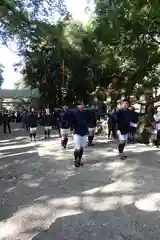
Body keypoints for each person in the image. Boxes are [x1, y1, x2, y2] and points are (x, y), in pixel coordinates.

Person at [71, 102, 88, 167]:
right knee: (77, 148)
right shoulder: (75, 113)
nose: (81, 105)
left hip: (84, 132)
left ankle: (79, 160)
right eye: (80, 104)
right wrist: (72, 127)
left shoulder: (86, 113)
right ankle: (76, 160)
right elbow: (71, 120)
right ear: (78, 106)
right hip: (77, 132)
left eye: (82, 104)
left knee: (81, 148)